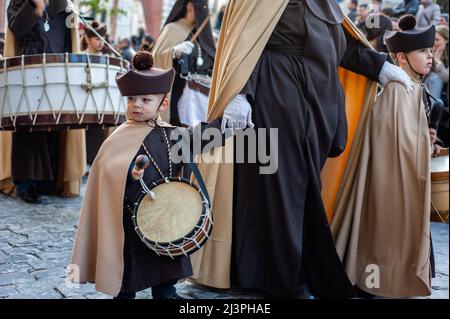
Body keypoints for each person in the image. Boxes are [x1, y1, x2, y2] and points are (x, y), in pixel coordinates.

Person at [189, 0, 414, 299]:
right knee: (282, 187)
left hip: (315, 106)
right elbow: (248, 41)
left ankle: (279, 271)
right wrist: (241, 93)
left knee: (300, 187)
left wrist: (381, 68)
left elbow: (341, 46)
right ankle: (287, 277)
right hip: (275, 94)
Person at [69, 51, 224, 299]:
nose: (136, 105)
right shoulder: (119, 137)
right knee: (128, 277)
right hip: (131, 224)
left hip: (164, 219)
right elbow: (109, 172)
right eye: (131, 99)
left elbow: (199, 139)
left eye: (145, 100)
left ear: (162, 104)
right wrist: (129, 173)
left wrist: (225, 126)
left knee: (165, 274)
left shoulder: (171, 134)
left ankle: (166, 294)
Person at [332, 14, 440, 298]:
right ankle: (380, 278)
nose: (430, 57)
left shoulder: (418, 88)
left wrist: (427, 143)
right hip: (391, 179)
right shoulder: (397, 90)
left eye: (430, 51)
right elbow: (389, 142)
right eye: (422, 51)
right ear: (401, 58)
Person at [0, 0, 86, 202]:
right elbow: (17, 29)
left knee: (55, 126)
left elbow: (68, 40)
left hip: (58, 71)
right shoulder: (19, 2)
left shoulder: (65, 5)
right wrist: (33, 5)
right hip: (28, 70)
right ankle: (26, 183)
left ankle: (51, 181)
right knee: (28, 127)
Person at [152, 0, 216, 127]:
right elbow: (156, 57)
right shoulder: (172, 29)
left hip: (197, 100)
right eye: (201, 8)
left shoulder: (201, 35)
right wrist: (174, 52)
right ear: (190, 7)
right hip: (175, 93)